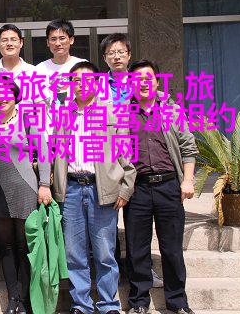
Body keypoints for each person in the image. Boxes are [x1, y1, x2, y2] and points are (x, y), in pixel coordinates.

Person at [51, 61, 136, 314]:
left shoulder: (111, 113)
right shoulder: (63, 115)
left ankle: (109, 304)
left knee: (104, 252)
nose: (81, 85)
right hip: (72, 190)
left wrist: (126, 188)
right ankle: (81, 304)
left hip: (102, 190)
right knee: (74, 253)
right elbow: (54, 153)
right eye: (75, 81)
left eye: (86, 80)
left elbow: (126, 156)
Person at [124, 60, 197, 314]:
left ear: (157, 82)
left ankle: (178, 302)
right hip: (138, 189)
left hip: (168, 186)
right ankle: (139, 302)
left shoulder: (172, 111)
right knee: (137, 248)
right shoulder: (123, 114)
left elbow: (188, 147)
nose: (143, 83)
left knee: (172, 248)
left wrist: (187, 180)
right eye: (137, 80)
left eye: (148, 78)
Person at [0, 76, 52, 314]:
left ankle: (26, 299)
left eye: (6, 93)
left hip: (26, 191)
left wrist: (44, 184)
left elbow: (43, 152)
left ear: (15, 96)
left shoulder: (27, 119)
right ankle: (13, 298)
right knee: (6, 247)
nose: (1, 97)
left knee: (25, 247)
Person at [100, 33, 164, 288]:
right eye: (111, 53)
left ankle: (145, 270)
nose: (116, 57)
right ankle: (113, 271)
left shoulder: (141, 81)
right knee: (107, 219)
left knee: (136, 223)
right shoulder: (98, 85)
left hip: (138, 157)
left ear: (128, 55)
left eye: (120, 52)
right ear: (105, 58)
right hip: (107, 157)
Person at [35, 18, 86, 102]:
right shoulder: (39, 69)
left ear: (71, 40)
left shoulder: (83, 65)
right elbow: (39, 103)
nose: (58, 43)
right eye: (53, 39)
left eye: (62, 38)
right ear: (47, 42)